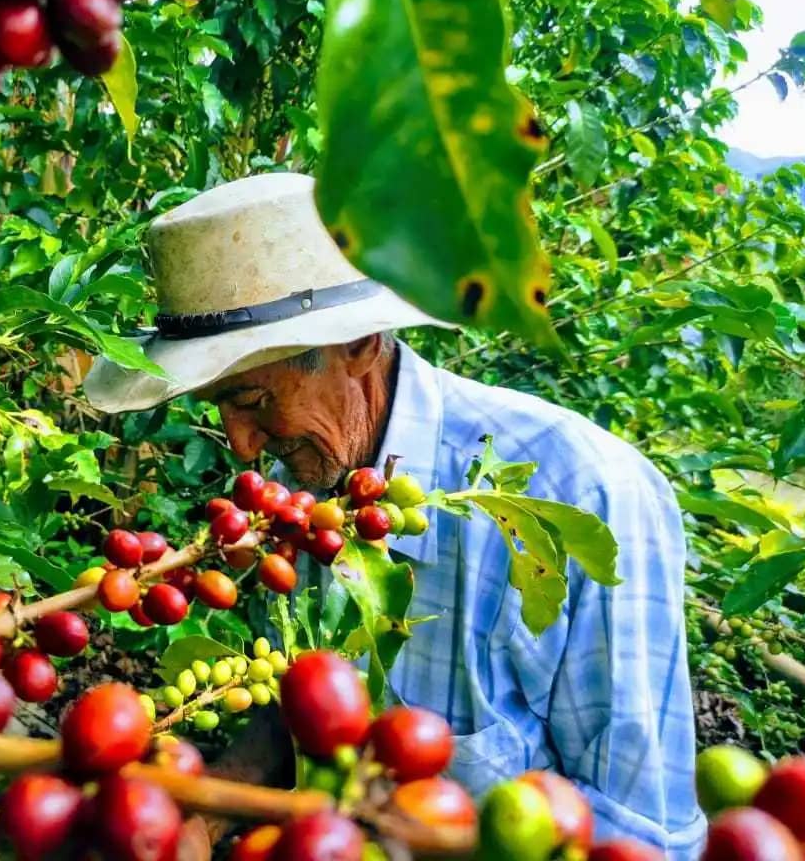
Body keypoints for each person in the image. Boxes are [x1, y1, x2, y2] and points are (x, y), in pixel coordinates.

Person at [84, 173, 707, 859]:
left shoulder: (585, 495)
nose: (241, 445)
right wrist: (207, 812)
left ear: (360, 346)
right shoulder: (306, 496)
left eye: (256, 400)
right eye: (219, 406)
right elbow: (310, 704)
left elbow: (642, 830)